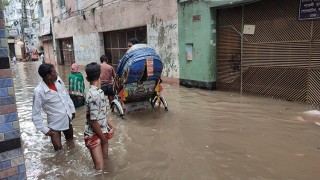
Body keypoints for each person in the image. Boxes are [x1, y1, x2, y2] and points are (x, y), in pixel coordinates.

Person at [32, 63, 75, 151]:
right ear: (48, 76)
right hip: (55, 124)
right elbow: (35, 114)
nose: (57, 73)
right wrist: (44, 129)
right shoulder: (39, 91)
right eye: (54, 72)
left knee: (71, 142)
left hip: (67, 118)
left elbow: (66, 95)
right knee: (58, 149)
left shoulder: (58, 80)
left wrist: (72, 110)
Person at [84, 62, 115, 171]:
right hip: (94, 134)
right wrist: (103, 138)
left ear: (87, 79)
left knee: (105, 161)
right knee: (100, 167)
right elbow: (93, 121)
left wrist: (111, 126)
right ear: (101, 75)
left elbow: (102, 114)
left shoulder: (97, 92)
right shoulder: (95, 95)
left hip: (101, 131)